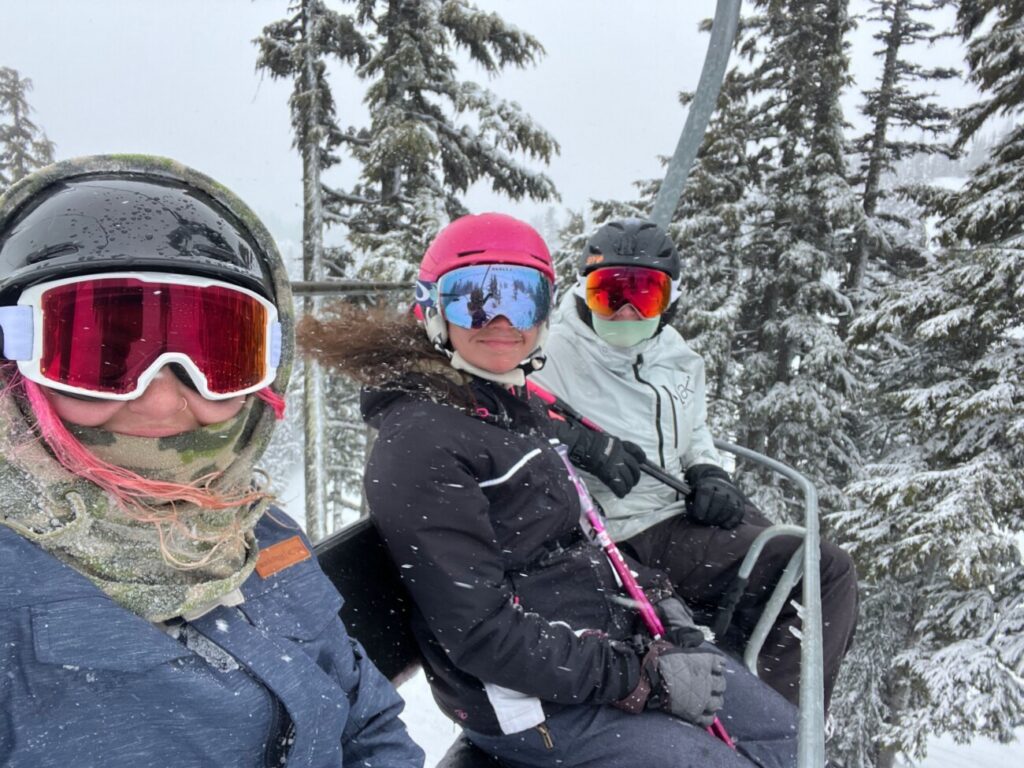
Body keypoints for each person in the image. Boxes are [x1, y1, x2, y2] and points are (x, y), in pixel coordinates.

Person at [299, 212, 799, 768]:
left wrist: (659, 601)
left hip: (604, 644)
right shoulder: (423, 442)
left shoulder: (505, 405)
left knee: (788, 742)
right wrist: (643, 677)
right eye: (473, 300)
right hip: (530, 703)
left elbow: (583, 539)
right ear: (432, 308)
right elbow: (482, 634)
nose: (502, 320)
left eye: (523, 298)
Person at [0, 156, 424, 768]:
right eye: (101, 353)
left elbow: (366, 719)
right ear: (14, 362)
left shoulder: (260, 532)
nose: (163, 398)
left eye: (217, 355)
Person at [531, 217, 859, 711]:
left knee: (799, 562)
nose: (623, 311)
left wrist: (708, 470)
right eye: (608, 295)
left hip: (676, 506)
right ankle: (779, 731)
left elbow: (694, 431)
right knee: (820, 570)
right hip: (624, 533)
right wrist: (576, 441)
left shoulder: (677, 355)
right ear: (582, 293)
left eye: (643, 296)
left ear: (670, 301)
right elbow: (496, 412)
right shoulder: (549, 353)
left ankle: (767, 702)